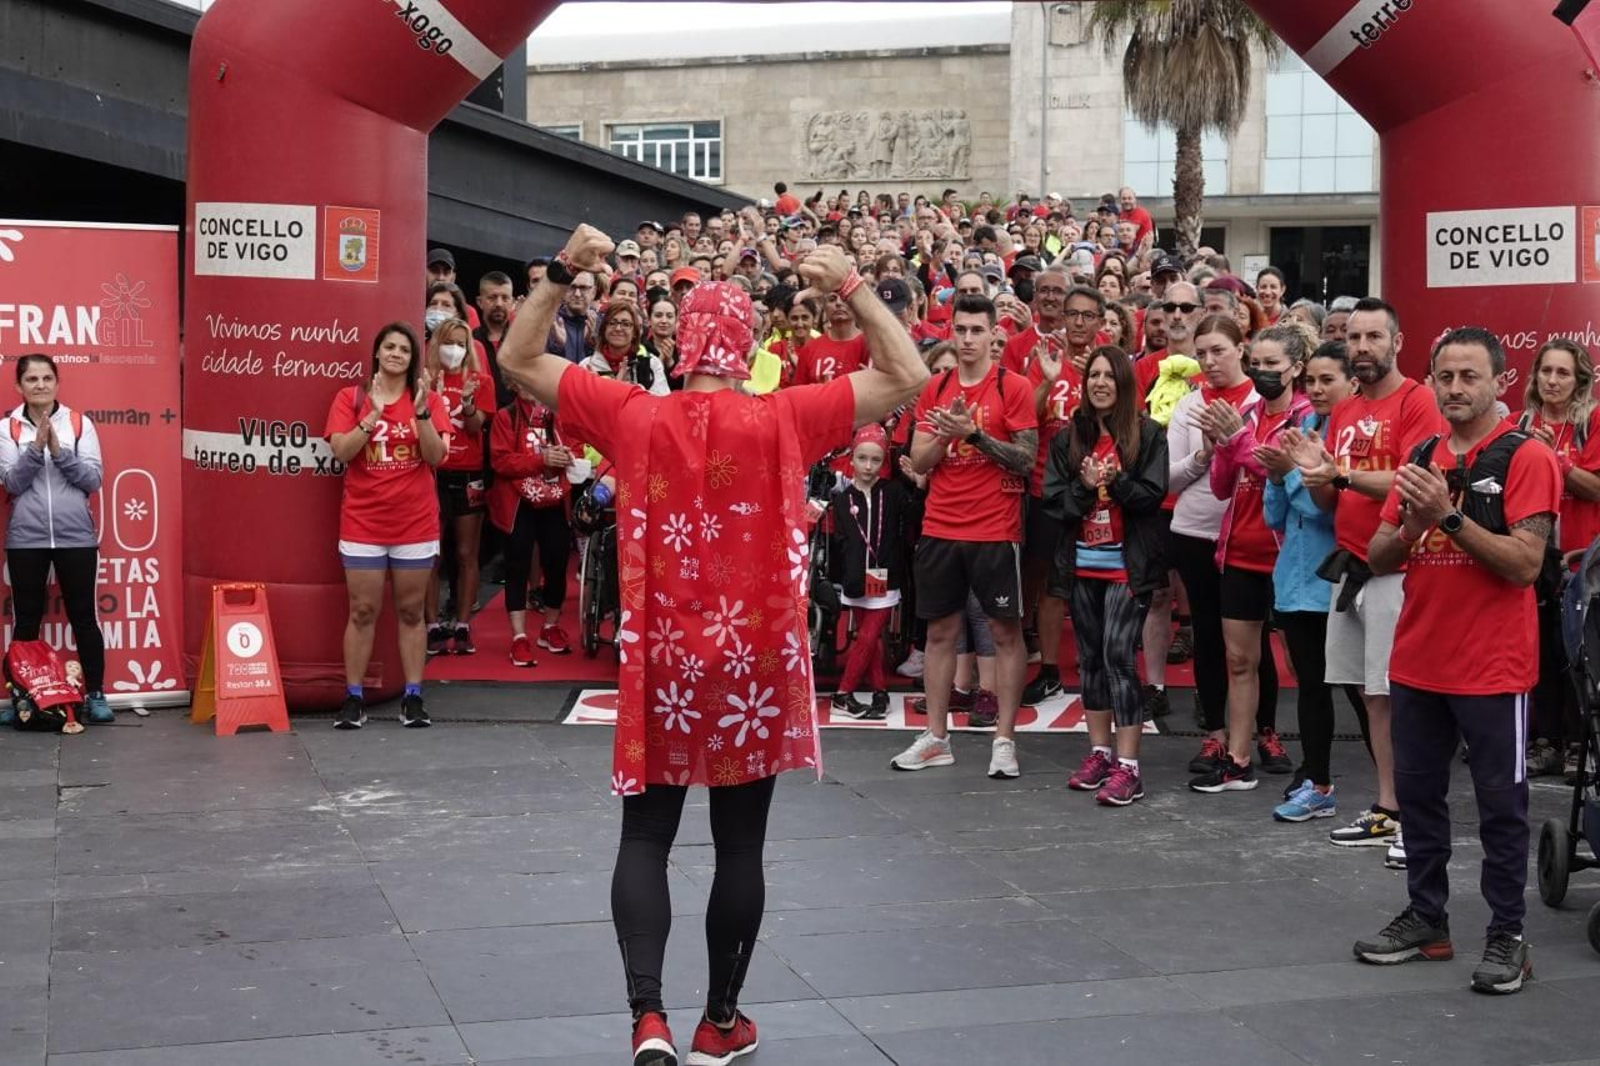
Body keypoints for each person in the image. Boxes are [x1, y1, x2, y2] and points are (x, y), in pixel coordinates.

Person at [496, 225, 926, 1066]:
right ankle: (719, 1021)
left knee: (646, 836)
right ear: (751, 344)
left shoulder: (631, 410)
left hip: (662, 655)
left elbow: (517, 360)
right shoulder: (787, 414)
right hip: (754, 663)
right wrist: (851, 288)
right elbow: (908, 374)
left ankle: (648, 1017)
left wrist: (558, 275)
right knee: (740, 845)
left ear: (681, 338)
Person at [1352, 327, 1560, 996]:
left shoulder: (1528, 456)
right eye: (1445, 376)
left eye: (1470, 376)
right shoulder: (1421, 455)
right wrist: (1412, 523)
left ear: (1499, 380)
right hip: (1418, 660)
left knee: (1503, 808)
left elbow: (1525, 566)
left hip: (1493, 670)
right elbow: (1379, 555)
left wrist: (1446, 518)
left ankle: (1508, 935)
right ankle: (1427, 919)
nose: (1455, 389)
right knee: (1418, 799)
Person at [1282, 297, 1443, 868]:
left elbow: (1412, 481)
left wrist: (1340, 472)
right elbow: (1331, 496)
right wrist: (1313, 471)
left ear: (1397, 343)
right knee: (1371, 698)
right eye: (1355, 338)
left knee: (1402, 699)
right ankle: (1388, 809)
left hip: (1399, 569)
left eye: (1375, 337)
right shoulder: (1345, 409)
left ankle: (1418, 820)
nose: (1363, 348)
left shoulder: (1419, 400)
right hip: (1349, 570)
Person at [891, 293, 1038, 778]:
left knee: (1004, 632)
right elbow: (921, 461)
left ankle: (1004, 740)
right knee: (940, 633)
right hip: (941, 525)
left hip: (995, 528)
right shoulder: (936, 387)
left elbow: (1025, 459)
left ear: (995, 335)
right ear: (951, 331)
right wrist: (947, 435)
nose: (969, 338)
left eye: (978, 330)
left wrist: (973, 435)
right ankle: (936, 736)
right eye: (962, 330)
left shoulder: (1012, 386)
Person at [1043, 346, 1169, 806]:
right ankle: (1099, 753)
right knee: (1090, 660)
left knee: (1118, 656)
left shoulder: (1149, 434)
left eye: (1108, 376)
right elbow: (1054, 504)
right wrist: (1083, 482)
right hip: (1080, 565)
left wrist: (1114, 480)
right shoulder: (1067, 438)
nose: (1099, 383)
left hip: (1125, 567)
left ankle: (1129, 766)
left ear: (1123, 383)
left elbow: (1152, 498)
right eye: (1093, 375)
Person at [1188, 323, 1310, 791]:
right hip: (1238, 551)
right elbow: (1222, 486)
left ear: (1295, 368)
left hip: (1288, 558)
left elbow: (1275, 467)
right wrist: (1220, 444)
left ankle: (1312, 763)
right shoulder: (1245, 412)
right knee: (1239, 661)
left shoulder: (1305, 417)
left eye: (1272, 365)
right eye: (1255, 364)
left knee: (1303, 665)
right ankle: (1238, 759)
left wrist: (1235, 439)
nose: (1261, 373)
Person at [324, 323, 451, 730]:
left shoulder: (427, 399)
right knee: (362, 611)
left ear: (413, 358)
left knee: (412, 611)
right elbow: (341, 452)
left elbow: (435, 457)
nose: (396, 353)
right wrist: (371, 416)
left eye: (404, 349)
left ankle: (413, 696)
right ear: (377, 353)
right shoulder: (351, 397)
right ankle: (354, 696)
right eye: (389, 347)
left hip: (414, 524)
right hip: (363, 523)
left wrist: (422, 414)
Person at [1166, 316, 1273, 778]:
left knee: (1256, 641)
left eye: (1218, 351)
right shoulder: (1188, 405)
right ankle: (1215, 733)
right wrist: (1205, 455)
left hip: (1250, 534)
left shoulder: (1261, 400)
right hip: (1194, 532)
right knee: (1208, 637)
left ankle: (1264, 730)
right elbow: (1166, 477)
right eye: (1202, 352)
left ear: (1241, 349)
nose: (1209, 361)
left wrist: (1236, 444)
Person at [1266, 341, 1368, 821]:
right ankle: (1317, 781)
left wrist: (1288, 475)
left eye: (1329, 380)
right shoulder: (1301, 430)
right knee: (1310, 686)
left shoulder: (1354, 440)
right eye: (1312, 381)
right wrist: (1277, 477)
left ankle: (1397, 791)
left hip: (1341, 579)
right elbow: (1280, 514)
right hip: (1296, 579)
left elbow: (1326, 510)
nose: (1318, 389)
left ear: (1353, 382)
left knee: (1361, 690)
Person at [0, 355, 111, 723]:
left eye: (47, 378)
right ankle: (23, 701)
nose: (40, 385)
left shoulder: (80, 424)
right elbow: (12, 483)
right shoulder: (8, 429)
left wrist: (59, 452)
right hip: (26, 539)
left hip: (75, 537)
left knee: (84, 617)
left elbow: (92, 481)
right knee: (27, 621)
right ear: (19, 386)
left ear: (57, 382)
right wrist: (35, 450)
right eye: (31, 379)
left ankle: (95, 695)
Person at [1517, 338, 1600, 776]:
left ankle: (1577, 744)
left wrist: (1557, 462)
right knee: (1538, 653)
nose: (1552, 380)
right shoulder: (1520, 423)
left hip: (1580, 561)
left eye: (1562, 373)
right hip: (1533, 558)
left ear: (1579, 380)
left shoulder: (1593, 421)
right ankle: (1543, 740)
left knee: (1577, 654)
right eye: (1545, 371)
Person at [1021, 281, 1100, 704]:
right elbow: (1027, 416)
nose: (1080, 322)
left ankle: (1098, 658)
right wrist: (1049, 383)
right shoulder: (1045, 358)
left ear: (1101, 322)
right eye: (1074, 314)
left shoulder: (1108, 364)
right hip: (1044, 488)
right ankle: (1049, 667)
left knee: (1092, 578)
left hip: (1093, 490)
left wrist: (1093, 382)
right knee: (1048, 578)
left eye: (1089, 315)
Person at [489, 380, 577, 664]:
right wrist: (541, 460)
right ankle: (519, 636)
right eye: (521, 379)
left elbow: (576, 446)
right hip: (518, 504)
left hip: (555, 500)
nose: (528, 385)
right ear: (514, 383)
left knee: (557, 563)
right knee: (517, 566)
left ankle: (549, 627)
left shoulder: (558, 416)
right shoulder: (507, 415)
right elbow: (500, 462)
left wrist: (567, 456)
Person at [828, 424, 910, 720]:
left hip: (885, 578)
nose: (868, 466)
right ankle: (880, 692)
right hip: (855, 579)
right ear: (851, 459)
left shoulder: (894, 492)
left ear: (884, 462)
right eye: (862, 458)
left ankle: (843, 693)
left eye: (875, 460)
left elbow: (911, 521)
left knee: (867, 636)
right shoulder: (842, 499)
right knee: (869, 639)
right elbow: (841, 542)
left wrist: (918, 480)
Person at [424, 317, 493, 656]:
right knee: (431, 554)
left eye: (461, 343)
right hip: (432, 474)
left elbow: (476, 426)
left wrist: (467, 402)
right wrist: (432, 397)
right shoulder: (424, 378)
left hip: (468, 473)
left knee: (467, 553)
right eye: (447, 342)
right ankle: (433, 625)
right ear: (436, 344)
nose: (454, 349)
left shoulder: (480, 380)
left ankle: (463, 625)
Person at [580, 302, 670, 396]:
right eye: (612, 323)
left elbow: (662, 402)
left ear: (635, 332)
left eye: (626, 324)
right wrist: (605, 389)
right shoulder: (586, 366)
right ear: (604, 329)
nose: (618, 328)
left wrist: (630, 390)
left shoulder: (652, 363)